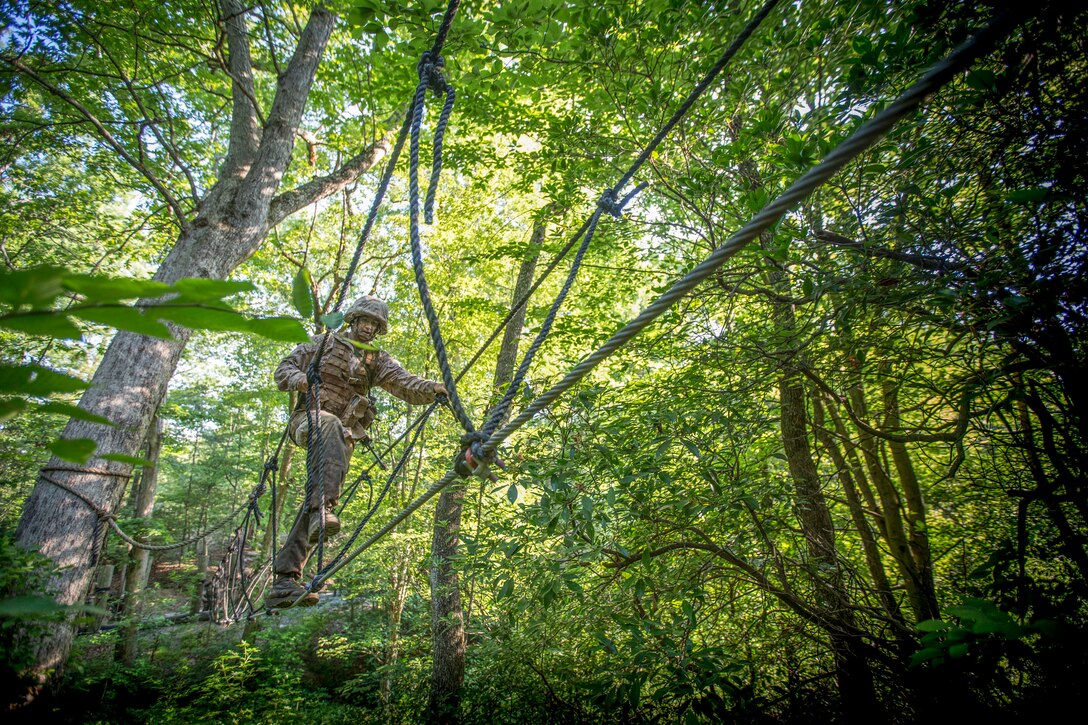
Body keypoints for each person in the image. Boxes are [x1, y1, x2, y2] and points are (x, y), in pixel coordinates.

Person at [265, 296, 446, 608]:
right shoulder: (322, 344)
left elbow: (404, 381)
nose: (369, 328)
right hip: (309, 421)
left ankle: (285, 580)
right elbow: (285, 368)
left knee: (316, 503)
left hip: (341, 438)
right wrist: (300, 380)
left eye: (375, 325)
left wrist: (433, 388)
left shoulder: (375, 359)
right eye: (365, 321)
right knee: (325, 474)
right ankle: (321, 512)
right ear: (353, 320)